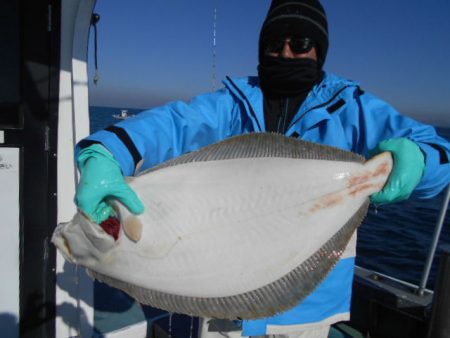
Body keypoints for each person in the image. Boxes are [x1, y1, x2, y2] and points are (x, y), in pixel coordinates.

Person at [74, 0, 450, 337]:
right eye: (274, 44)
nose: (285, 53)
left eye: (300, 44)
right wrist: (105, 151)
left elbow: (440, 153)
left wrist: (419, 161)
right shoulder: (234, 104)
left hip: (307, 311)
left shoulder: (353, 109)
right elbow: (173, 124)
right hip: (223, 299)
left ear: (319, 50)